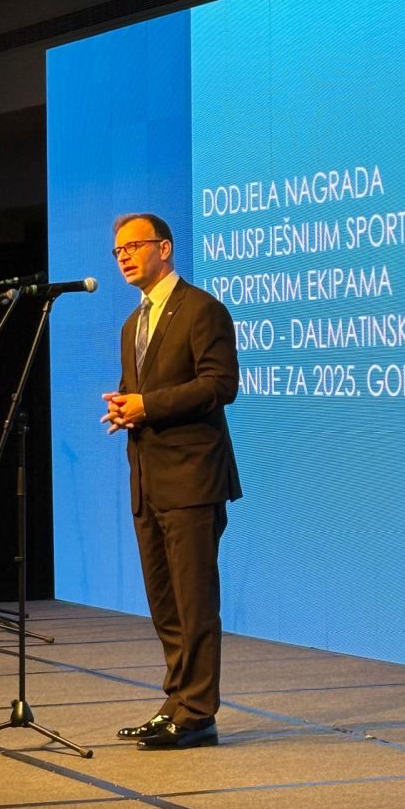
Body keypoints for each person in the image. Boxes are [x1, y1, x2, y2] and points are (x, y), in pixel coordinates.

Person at [101, 212, 241, 749]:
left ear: (164, 248)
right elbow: (139, 390)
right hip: (148, 479)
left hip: (192, 479)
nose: (124, 258)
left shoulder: (202, 309)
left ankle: (199, 713)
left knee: (194, 600)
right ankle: (176, 702)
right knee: (165, 602)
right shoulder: (131, 324)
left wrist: (149, 406)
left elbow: (220, 385)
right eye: (118, 252)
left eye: (133, 247)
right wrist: (124, 409)